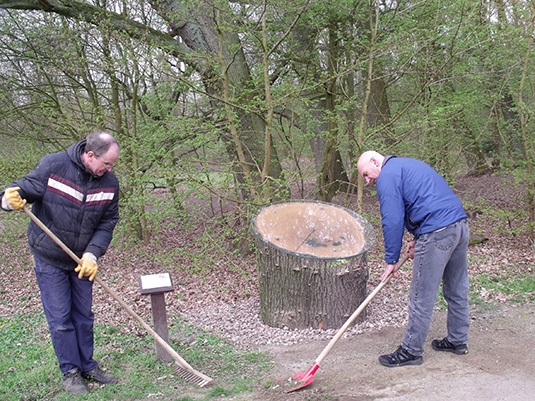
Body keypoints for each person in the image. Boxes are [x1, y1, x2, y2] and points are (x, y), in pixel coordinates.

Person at [1, 132, 121, 394]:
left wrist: (92, 254)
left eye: (113, 165)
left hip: (81, 262)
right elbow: (20, 190)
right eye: (107, 163)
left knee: (84, 317)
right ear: (90, 155)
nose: (110, 169)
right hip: (50, 259)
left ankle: (88, 366)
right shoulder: (53, 166)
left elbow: (107, 222)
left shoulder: (110, 183)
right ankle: (71, 372)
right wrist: (6, 201)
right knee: (61, 319)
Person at [357, 150, 469, 367]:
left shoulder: (388, 175)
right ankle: (458, 340)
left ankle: (411, 351)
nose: (367, 180)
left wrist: (391, 259)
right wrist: (419, 237)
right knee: (457, 289)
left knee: (421, 295)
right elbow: (428, 201)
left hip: (437, 230)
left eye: (366, 174)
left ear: (374, 161)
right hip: (459, 226)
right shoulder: (409, 164)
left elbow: (392, 218)